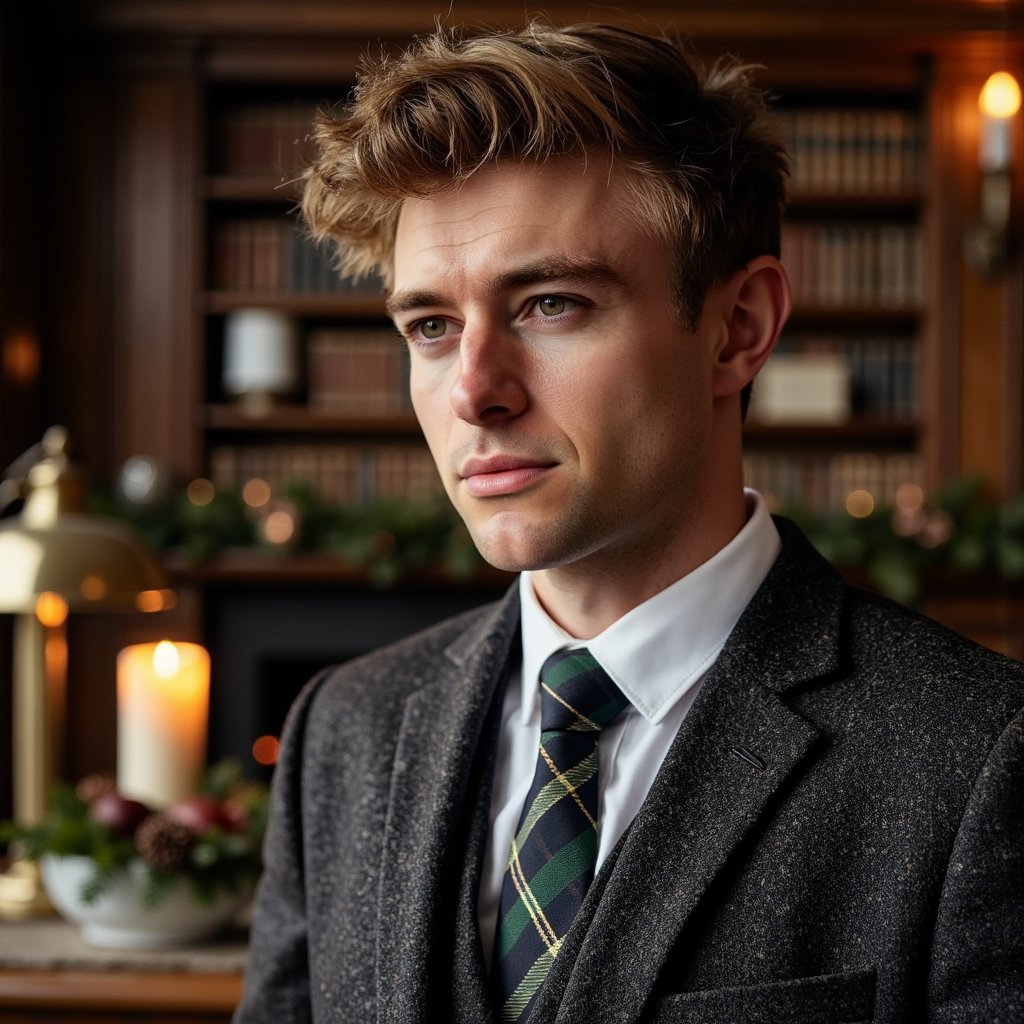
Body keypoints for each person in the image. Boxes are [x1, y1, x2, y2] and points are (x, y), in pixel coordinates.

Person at [235, 21, 1024, 1024]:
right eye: (431, 326)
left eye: (551, 304)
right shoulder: (342, 730)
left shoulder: (980, 757)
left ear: (737, 330)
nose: (474, 391)